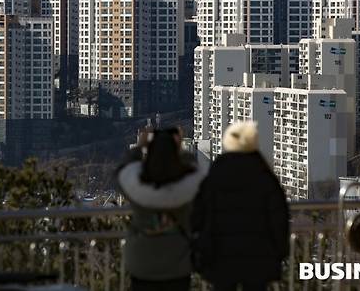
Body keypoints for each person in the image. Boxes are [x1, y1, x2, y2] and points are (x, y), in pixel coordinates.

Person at [191, 121, 289, 291]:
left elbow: (198, 214)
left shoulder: (216, 173)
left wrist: (201, 244)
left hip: (221, 256)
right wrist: (279, 251)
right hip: (258, 257)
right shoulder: (264, 174)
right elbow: (279, 217)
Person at [116, 127, 209, 291]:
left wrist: (139, 147)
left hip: (142, 263)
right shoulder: (188, 188)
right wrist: (180, 150)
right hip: (178, 263)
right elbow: (196, 169)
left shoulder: (137, 188)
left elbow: (123, 170)